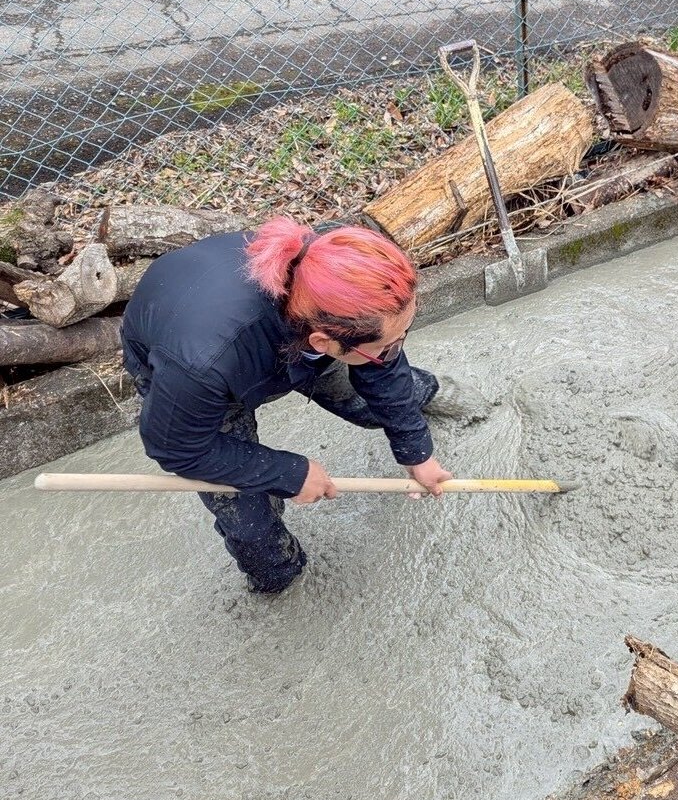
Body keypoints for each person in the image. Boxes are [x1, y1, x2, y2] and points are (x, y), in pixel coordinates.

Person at [121, 217, 454, 594]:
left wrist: (416, 451)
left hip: (291, 338)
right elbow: (176, 447)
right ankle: (278, 577)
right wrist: (286, 472)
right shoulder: (200, 366)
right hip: (202, 369)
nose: (397, 347)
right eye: (389, 346)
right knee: (252, 526)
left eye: (403, 334)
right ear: (323, 342)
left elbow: (384, 367)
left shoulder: (347, 282)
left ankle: (439, 397)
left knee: (373, 398)